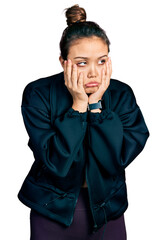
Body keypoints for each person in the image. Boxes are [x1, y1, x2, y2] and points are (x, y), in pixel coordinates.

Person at [17, 4, 150, 240]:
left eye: (101, 61)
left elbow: (115, 161)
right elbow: (56, 163)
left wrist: (96, 106)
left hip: (108, 210)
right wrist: (78, 106)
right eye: (81, 62)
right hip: (51, 211)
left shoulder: (121, 95)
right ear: (63, 61)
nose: (93, 73)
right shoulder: (38, 93)